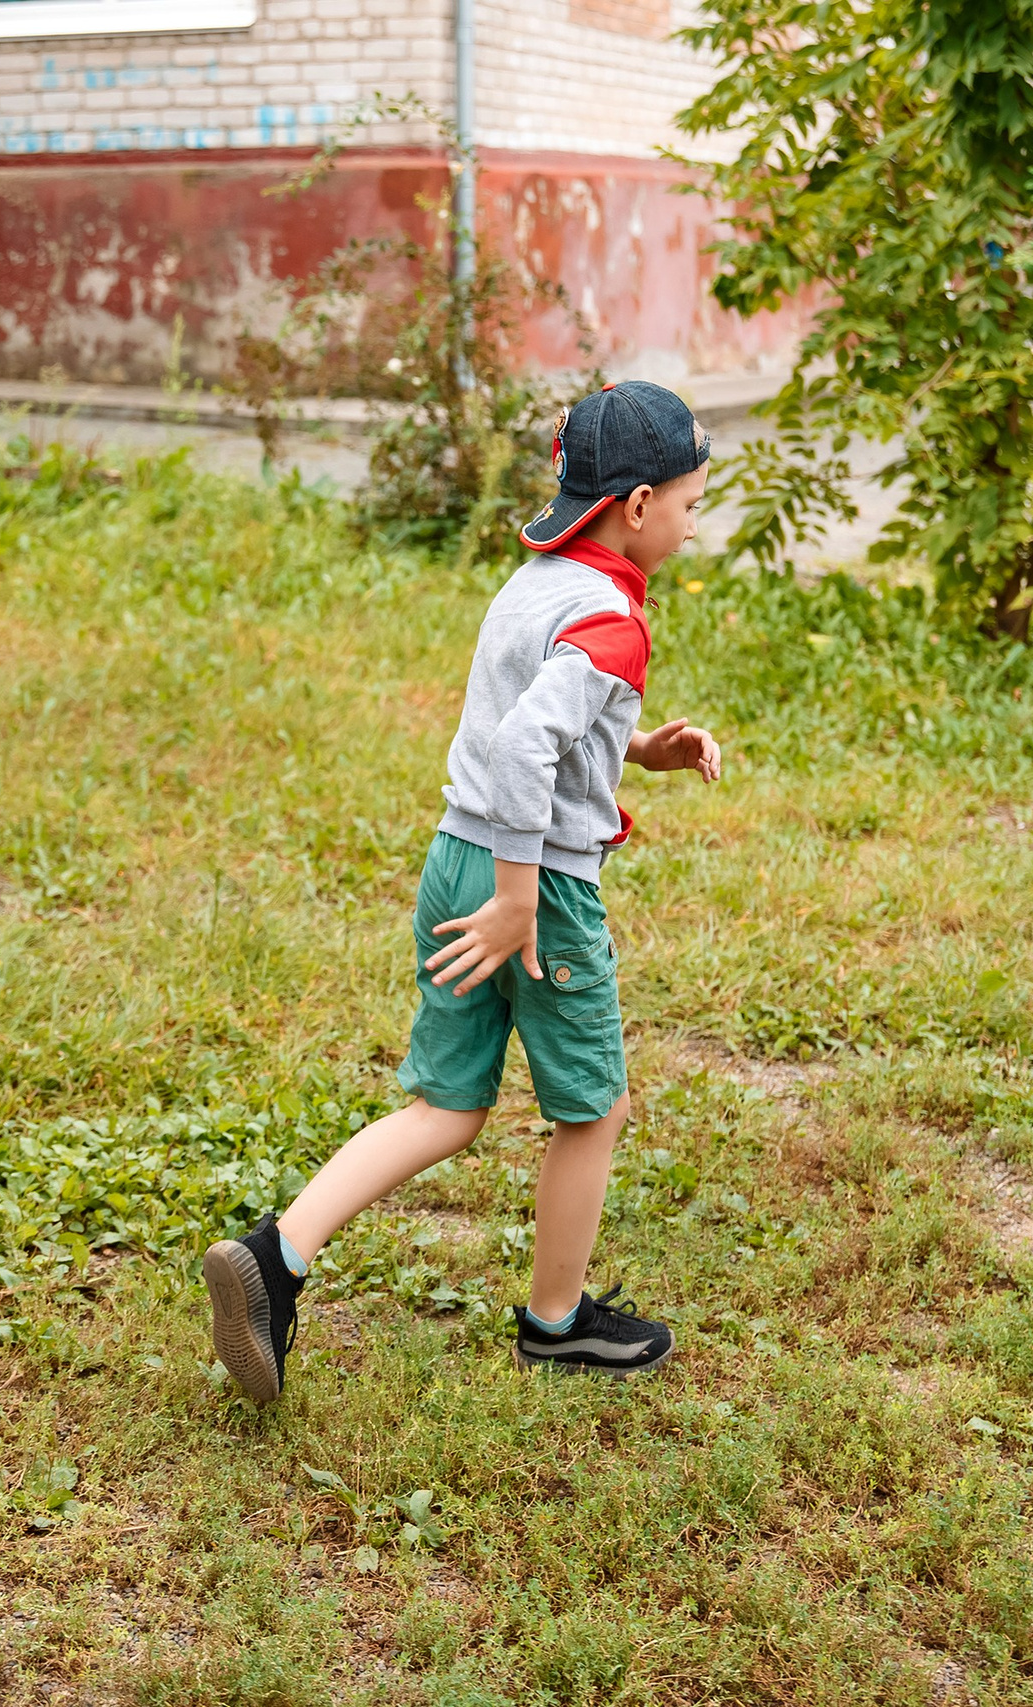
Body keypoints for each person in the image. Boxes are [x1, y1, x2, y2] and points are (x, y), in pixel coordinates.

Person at [203, 382, 723, 1405]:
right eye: (690, 503)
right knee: (595, 1109)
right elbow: (530, 744)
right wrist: (523, 898)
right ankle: (556, 1324)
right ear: (635, 504)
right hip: (536, 891)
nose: (693, 522)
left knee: (445, 1103)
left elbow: (528, 731)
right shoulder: (611, 618)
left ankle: (276, 1257)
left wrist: (642, 752)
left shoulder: (532, 583)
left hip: (455, 854)